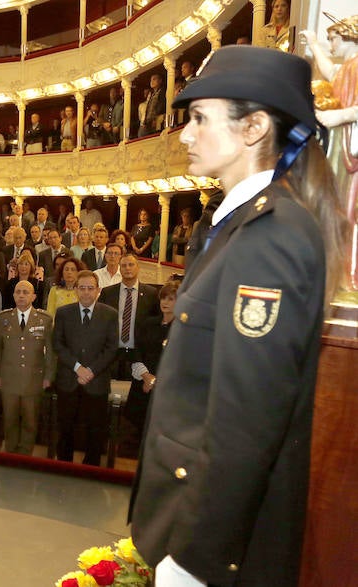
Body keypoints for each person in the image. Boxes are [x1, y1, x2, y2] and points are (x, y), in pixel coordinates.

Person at [129, 46, 346, 587]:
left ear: (253, 128)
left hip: (212, 547)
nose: (184, 134)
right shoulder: (236, 227)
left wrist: (195, 557)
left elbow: (245, 422)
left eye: (201, 118)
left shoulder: (270, 236)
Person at [302, 17, 358, 290]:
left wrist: (335, 117)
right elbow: (330, 72)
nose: (331, 44)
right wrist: (314, 44)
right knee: (335, 203)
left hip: (351, 148)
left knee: (347, 207)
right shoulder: (348, 66)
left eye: (333, 39)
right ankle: (336, 269)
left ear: (348, 37)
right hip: (341, 145)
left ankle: (347, 273)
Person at [51, 270, 118, 465]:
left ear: (98, 290)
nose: (86, 292)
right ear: (76, 290)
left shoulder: (110, 314)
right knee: (65, 428)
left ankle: (91, 469)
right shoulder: (63, 313)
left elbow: (112, 348)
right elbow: (58, 344)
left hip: (96, 381)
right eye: (82, 288)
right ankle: (64, 466)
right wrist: (77, 367)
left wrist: (91, 370)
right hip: (68, 380)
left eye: (90, 288)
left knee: (95, 430)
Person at [0, 280, 55, 455]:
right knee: (9, 419)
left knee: (30, 420)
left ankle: (26, 453)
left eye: (26, 292)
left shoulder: (45, 319)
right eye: (18, 292)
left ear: (33, 296)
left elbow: (50, 350)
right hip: (9, 378)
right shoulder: (3, 318)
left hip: (33, 379)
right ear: (13, 295)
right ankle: (11, 452)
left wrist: (49, 376)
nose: (21, 295)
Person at [126, 281, 177, 440]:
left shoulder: (181, 328)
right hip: (142, 380)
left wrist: (156, 381)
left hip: (166, 386)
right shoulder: (149, 323)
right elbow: (137, 352)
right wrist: (146, 377)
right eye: (163, 298)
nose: (165, 302)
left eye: (170, 299)